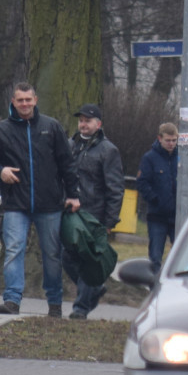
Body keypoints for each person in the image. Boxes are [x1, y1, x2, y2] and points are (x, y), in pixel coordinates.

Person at [0, 83, 82, 317]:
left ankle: (54, 303)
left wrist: (73, 194)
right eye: (20, 100)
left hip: (50, 204)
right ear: (13, 101)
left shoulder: (51, 127)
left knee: (52, 254)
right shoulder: (2, 130)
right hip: (15, 204)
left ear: (36, 100)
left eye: (28, 99)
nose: (24, 104)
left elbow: (67, 163)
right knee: (13, 250)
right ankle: (12, 300)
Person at [65, 103, 124, 319]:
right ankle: (95, 289)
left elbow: (115, 188)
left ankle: (81, 308)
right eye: (80, 120)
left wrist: (109, 221)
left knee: (90, 260)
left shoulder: (109, 150)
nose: (83, 124)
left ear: (98, 124)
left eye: (87, 121)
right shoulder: (70, 144)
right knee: (67, 258)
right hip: (72, 214)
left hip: (94, 216)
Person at [136, 123, 180, 274]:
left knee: (181, 256)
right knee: (155, 257)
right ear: (159, 139)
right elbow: (142, 182)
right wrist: (154, 200)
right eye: (168, 140)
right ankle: (153, 289)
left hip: (177, 216)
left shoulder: (181, 157)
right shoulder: (150, 158)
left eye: (174, 140)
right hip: (157, 217)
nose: (171, 144)